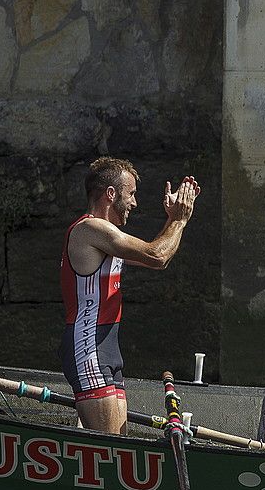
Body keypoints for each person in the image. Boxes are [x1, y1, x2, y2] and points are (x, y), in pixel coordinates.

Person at [60, 157, 200, 433]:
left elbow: (156, 258)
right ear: (111, 194)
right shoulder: (89, 229)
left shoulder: (107, 236)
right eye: (132, 194)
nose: (135, 203)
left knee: (120, 441)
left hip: (107, 349)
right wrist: (179, 220)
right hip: (88, 348)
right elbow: (157, 255)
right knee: (112, 450)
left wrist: (173, 219)